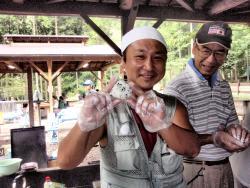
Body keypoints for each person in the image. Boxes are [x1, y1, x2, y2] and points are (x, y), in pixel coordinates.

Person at [57, 26, 201, 187]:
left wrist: (164, 125)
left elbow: (192, 150)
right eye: (140, 57)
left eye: (158, 58)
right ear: (123, 63)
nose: (149, 66)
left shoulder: (173, 106)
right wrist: (83, 126)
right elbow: (65, 162)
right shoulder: (106, 109)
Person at [165, 21, 250, 188]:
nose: (211, 59)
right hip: (193, 171)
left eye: (219, 53)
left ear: (226, 55)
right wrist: (214, 139)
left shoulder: (223, 86)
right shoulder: (177, 88)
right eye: (206, 50)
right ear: (194, 48)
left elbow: (231, 121)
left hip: (225, 168)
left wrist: (236, 131)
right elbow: (173, 141)